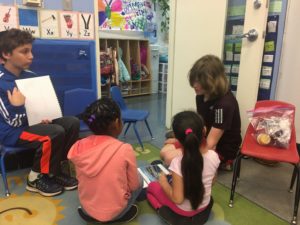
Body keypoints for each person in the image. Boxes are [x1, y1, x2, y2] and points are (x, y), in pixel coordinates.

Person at [0, 28, 79, 197]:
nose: (31, 56)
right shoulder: (1, 82)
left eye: (31, 51)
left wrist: (44, 115)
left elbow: (40, 107)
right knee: (53, 133)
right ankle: (35, 178)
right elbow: (12, 122)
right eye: (24, 52)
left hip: (30, 123)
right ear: (6, 54)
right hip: (11, 132)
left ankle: (55, 171)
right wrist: (17, 106)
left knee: (71, 122)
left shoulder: (30, 76)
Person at [68, 97, 143, 223]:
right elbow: (134, 185)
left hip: (87, 210)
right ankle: (123, 214)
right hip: (116, 212)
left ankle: (91, 212)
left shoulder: (78, 146)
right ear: (117, 122)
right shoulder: (124, 149)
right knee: (139, 179)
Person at [161, 55, 241, 171]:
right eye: (194, 80)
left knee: (169, 158)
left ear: (214, 81)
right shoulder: (201, 96)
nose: (194, 85)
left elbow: (211, 143)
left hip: (221, 148)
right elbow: (201, 126)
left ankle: (223, 163)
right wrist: (183, 141)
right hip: (203, 139)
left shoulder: (224, 105)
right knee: (165, 151)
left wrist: (186, 148)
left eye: (199, 81)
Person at [147, 111, 220, 225]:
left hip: (183, 211)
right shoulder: (214, 156)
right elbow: (212, 182)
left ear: (177, 139)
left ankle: (165, 212)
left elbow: (178, 199)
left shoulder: (177, 163)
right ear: (204, 130)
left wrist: (163, 182)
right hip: (204, 205)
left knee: (151, 187)